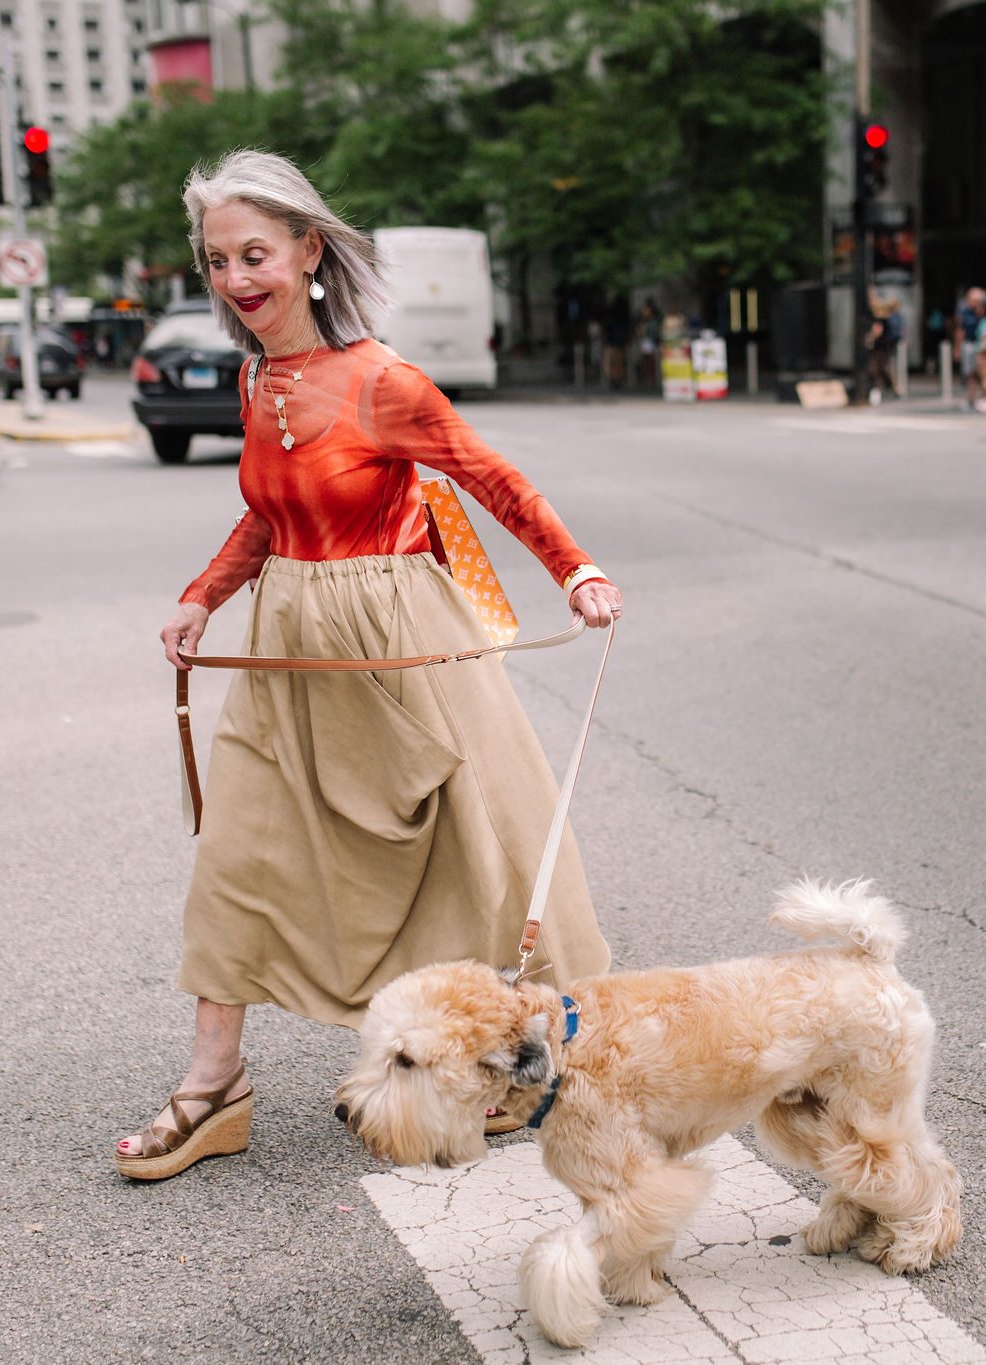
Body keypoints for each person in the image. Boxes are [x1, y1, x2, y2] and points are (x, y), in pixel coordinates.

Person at [117, 149, 623, 1181]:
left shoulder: (381, 379)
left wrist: (575, 570)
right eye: (216, 261)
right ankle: (214, 1086)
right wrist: (200, 597)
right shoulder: (257, 378)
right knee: (238, 858)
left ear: (309, 250)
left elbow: (492, 478)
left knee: (469, 857)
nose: (234, 279)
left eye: (253, 254)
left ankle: (515, 1060)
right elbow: (265, 515)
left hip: (394, 640)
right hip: (287, 652)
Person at [865, 293, 903, 404]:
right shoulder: (890, 317)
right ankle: (892, 388)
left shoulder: (881, 318)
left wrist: (869, 339)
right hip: (887, 346)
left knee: (879, 367)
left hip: (881, 346)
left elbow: (877, 331)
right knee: (885, 366)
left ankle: (880, 389)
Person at [636, 300, 661, 390]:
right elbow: (640, 333)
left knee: (651, 361)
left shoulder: (653, 322)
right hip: (644, 342)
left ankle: (652, 379)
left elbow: (656, 333)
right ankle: (648, 379)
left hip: (651, 342)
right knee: (645, 361)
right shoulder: (642, 322)